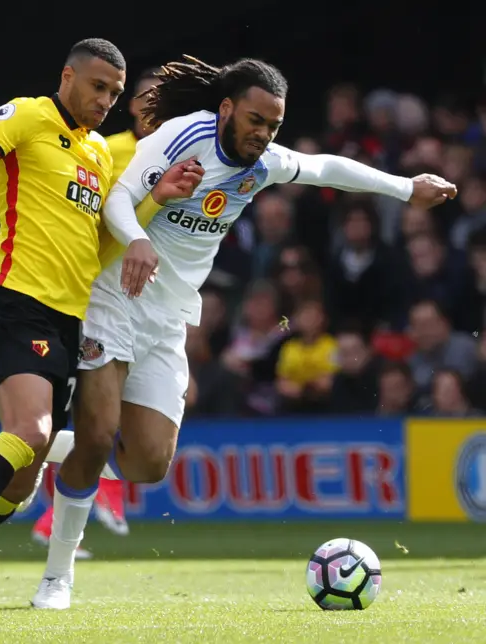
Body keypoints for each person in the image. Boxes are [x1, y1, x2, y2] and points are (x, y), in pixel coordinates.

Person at [28, 54, 457, 610]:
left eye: (274, 125)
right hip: (114, 295)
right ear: (227, 108)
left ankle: (51, 447)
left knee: (148, 465)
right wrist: (136, 239)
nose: (264, 133)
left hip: (169, 316)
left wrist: (406, 187)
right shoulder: (182, 137)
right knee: (101, 427)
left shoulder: (265, 164)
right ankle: (56, 578)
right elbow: (116, 198)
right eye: (256, 120)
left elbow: (327, 167)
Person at [0, 40, 203, 608]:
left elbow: (101, 245)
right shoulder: (27, 116)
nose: (106, 100)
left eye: (114, 91)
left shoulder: (99, 156)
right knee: (32, 432)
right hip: (15, 301)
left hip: (69, 322)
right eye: (97, 86)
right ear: (68, 76)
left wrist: (154, 200)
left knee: (20, 485)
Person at [31, 68, 163, 549]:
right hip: (100, 298)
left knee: (125, 435)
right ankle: (53, 502)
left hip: (155, 309)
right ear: (132, 105)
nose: (156, 109)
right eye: (148, 99)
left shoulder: (183, 156)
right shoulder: (110, 150)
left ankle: (35, 460)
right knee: (94, 424)